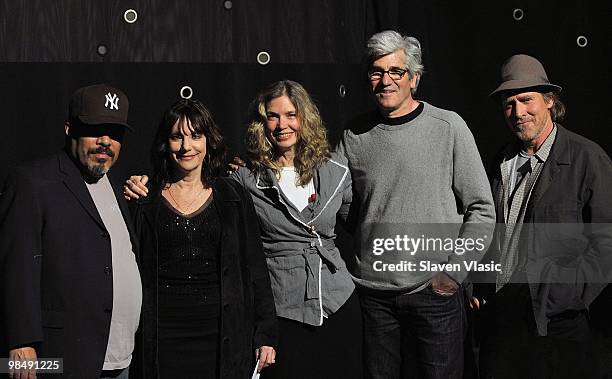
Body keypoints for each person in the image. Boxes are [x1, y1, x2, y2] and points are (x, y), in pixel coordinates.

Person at [125, 81, 362, 379]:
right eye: (272, 117)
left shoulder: (335, 170)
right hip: (283, 310)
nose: (282, 124)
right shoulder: (243, 181)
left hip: (337, 302)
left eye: (291, 114)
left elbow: (359, 222)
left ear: (306, 118)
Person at [336, 30, 496, 379]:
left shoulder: (448, 126)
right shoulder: (353, 135)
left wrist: (454, 272)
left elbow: (482, 209)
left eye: (395, 71)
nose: (385, 81)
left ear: (414, 78)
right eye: (376, 72)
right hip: (373, 297)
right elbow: (341, 204)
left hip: (433, 293)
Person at [471, 54, 612, 379]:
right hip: (502, 322)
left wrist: (563, 295)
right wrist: (478, 286)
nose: (518, 112)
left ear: (549, 100)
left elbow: (606, 245)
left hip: (557, 324)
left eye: (526, 100)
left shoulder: (586, 158)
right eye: (509, 104)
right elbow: (489, 230)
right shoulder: (501, 160)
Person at [127, 99, 277, 379]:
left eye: (196, 136)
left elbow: (255, 268)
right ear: (165, 143)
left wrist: (265, 333)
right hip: (160, 341)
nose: (186, 147)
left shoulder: (233, 197)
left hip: (222, 339)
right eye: (176, 137)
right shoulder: (144, 200)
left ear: (209, 141)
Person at [0, 84, 142, 378]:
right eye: (95, 129)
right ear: (69, 129)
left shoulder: (115, 186)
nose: (106, 141)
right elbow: (15, 267)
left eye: (114, 134)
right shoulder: (31, 181)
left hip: (119, 358)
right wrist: (21, 341)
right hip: (60, 357)